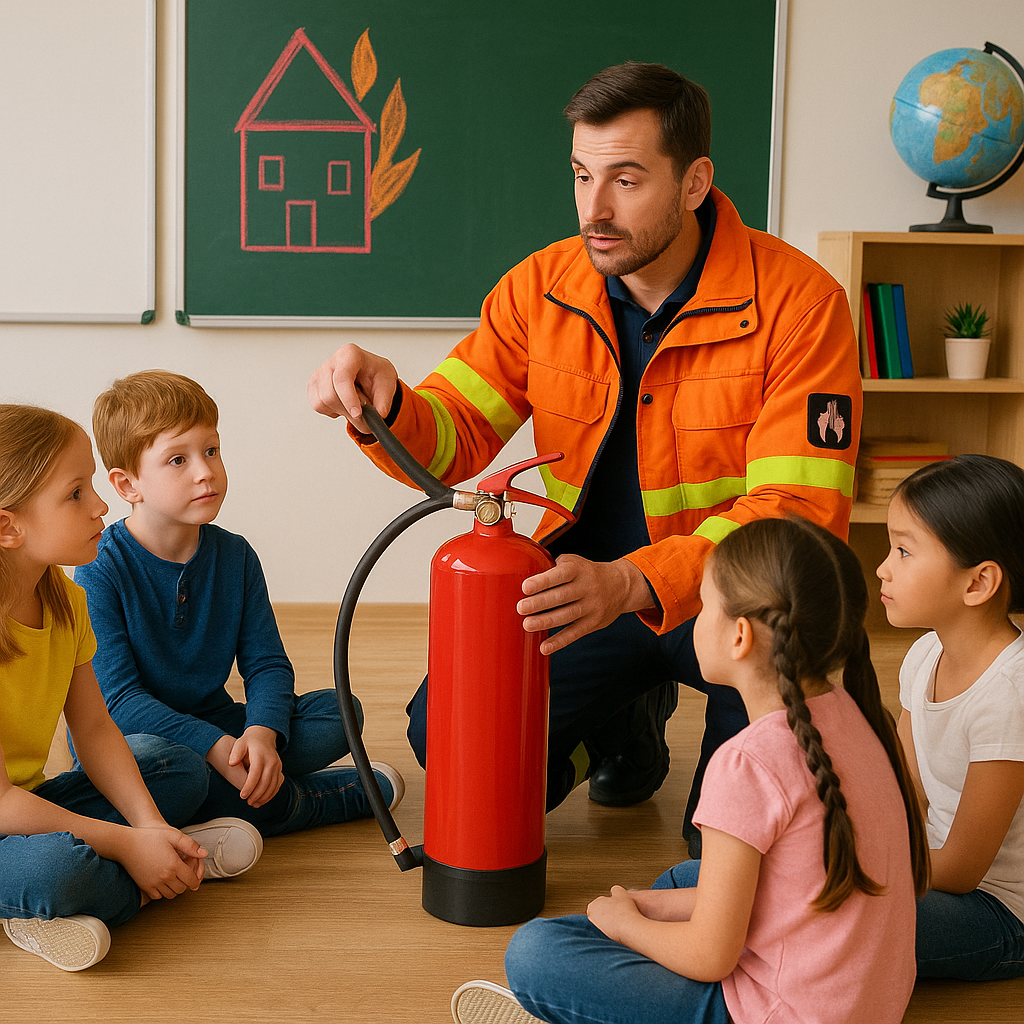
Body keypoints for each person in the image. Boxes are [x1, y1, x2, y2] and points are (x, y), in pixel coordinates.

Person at [307, 62, 861, 849]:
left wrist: (636, 580)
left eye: (627, 180)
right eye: (581, 175)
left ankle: (651, 712)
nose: (593, 210)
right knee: (455, 745)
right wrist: (390, 403)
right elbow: (457, 430)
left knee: (736, 841)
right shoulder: (542, 288)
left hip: (740, 605)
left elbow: (797, 516)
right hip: (580, 587)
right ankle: (621, 727)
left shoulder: (801, 305)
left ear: (695, 181)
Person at [450, 516, 929, 1024]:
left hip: (774, 1013)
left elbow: (710, 957)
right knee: (683, 879)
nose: (692, 621)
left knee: (537, 950)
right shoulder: (856, 711)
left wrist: (624, 925)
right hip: (865, 1006)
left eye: (702, 606)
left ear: (739, 636)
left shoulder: (748, 763)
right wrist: (641, 910)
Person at [74, 370, 403, 839]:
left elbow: (267, 663)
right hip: (136, 743)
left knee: (339, 714)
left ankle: (221, 806)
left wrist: (262, 734)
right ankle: (300, 804)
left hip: (216, 724)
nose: (205, 470)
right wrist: (214, 746)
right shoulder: (99, 570)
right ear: (128, 485)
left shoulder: (235, 555)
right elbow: (119, 702)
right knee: (178, 770)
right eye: (176, 460)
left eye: (210, 450)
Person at [0, 404, 262, 972]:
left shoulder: (66, 602)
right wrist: (123, 842)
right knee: (57, 871)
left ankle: (151, 860)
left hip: (28, 807)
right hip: (5, 812)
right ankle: (149, 879)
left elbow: (94, 728)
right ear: (8, 526)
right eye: (75, 494)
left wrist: (148, 824)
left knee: (179, 768)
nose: (100, 507)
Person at [877, 454, 1024, 980]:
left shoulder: (1010, 693)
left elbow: (962, 868)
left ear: (978, 583)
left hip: (999, 912)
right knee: (790, 890)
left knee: (821, 911)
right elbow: (906, 788)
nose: (882, 567)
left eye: (903, 550)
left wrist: (857, 867)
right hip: (934, 871)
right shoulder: (924, 655)